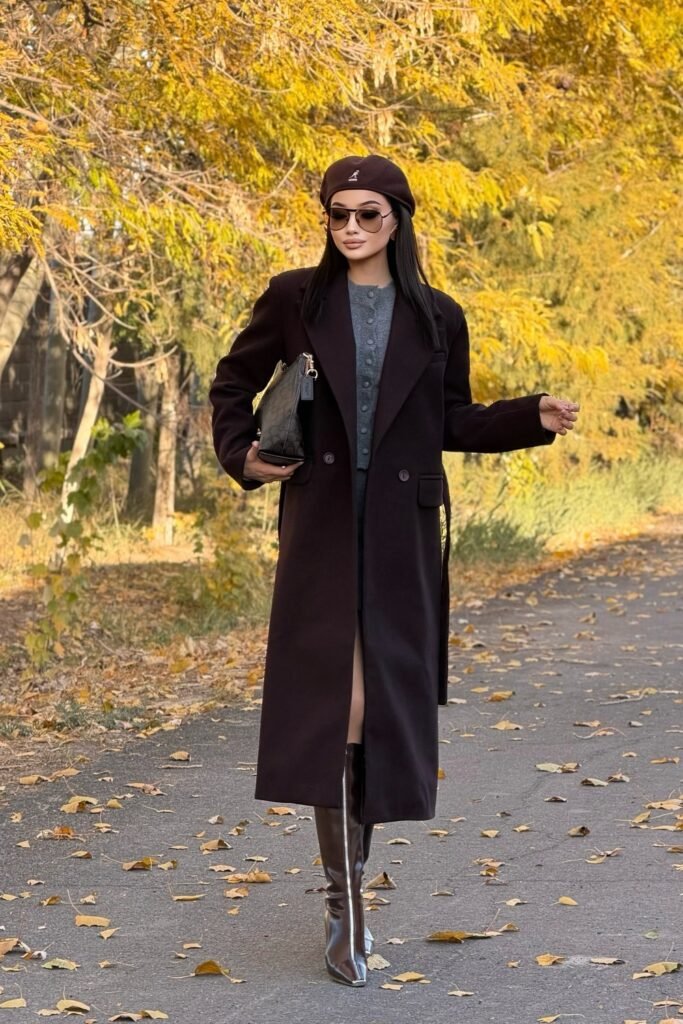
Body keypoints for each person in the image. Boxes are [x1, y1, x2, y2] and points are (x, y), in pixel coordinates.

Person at [209, 154, 579, 987]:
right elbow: (233, 380)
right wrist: (243, 456)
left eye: (367, 215)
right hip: (321, 522)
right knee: (338, 706)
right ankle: (345, 906)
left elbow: (450, 418)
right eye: (337, 214)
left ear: (398, 219)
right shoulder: (294, 299)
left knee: (379, 707)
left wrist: (532, 417)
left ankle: (351, 901)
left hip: (402, 533)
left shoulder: (436, 315)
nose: (349, 229)